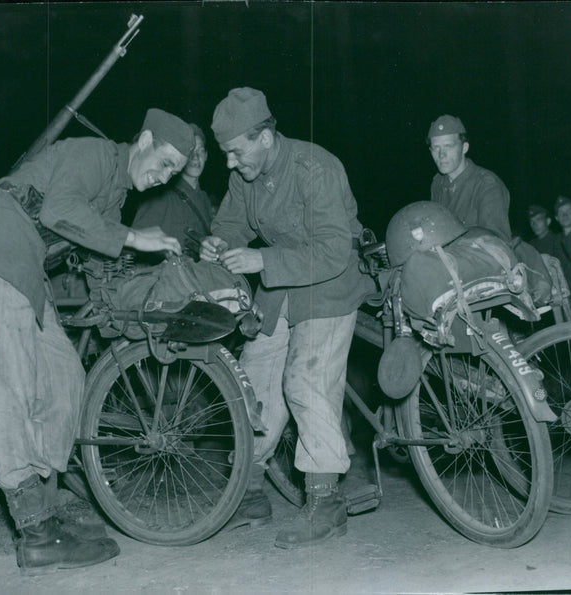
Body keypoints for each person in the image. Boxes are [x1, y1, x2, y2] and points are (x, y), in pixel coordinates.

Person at [0, 108, 194, 573]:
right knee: (6, 383)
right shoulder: (95, 154)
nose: (163, 177)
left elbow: (101, 257)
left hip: (23, 264)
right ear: (143, 141)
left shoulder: (116, 196)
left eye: (174, 173)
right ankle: (35, 530)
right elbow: (61, 211)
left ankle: (46, 509)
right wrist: (136, 238)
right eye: (163, 162)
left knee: (65, 376)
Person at [200, 87, 373, 549]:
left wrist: (262, 262)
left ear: (265, 137)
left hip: (330, 285)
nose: (231, 164)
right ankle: (249, 490)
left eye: (236, 152)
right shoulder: (246, 176)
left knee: (304, 380)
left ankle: (326, 500)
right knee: (252, 381)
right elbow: (232, 223)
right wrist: (218, 242)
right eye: (226, 155)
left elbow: (335, 249)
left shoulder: (314, 168)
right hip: (281, 290)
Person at [131, 123, 215, 259]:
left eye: (200, 151)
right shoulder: (160, 196)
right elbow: (138, 241)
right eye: (191, 152)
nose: (195, 158)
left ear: (206, 155)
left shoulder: (205, 199)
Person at [427, 115, 512, 242]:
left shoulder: (486, 184)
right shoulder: (438, 184)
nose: (441, 155)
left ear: (464, 148)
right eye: (436, 148)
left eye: (448, 146)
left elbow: (497, 242)